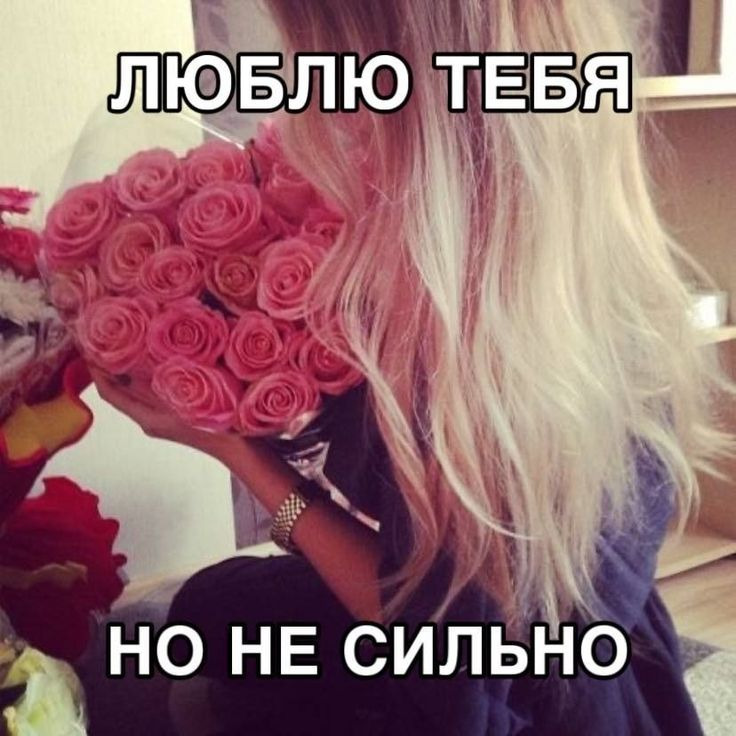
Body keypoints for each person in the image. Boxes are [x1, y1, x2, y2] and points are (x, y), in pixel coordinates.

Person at [93, 1, 730, 733]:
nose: (296, 114)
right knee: (216, 604)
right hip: (475, 625)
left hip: (510, 689)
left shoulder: (514, 373)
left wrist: (242, 458)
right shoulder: (508, 274)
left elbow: (449, 654)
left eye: (321, 75)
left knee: (219, 641)